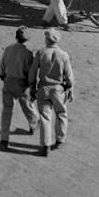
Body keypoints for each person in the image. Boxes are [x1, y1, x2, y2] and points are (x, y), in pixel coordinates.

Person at [28, 28, 74, 157]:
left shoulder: (41, 53)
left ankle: (45, 145)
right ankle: (60, 139)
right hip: (58, 89)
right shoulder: (64, 55)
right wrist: (70, 88)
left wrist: (32, 86)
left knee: (45, 117)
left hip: (43, 88)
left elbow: (32, 72)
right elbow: (69, 75)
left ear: (47, 40)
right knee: (61, 114)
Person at [0, 26, 39, 149]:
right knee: (28, 106)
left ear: (16, 37)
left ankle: (4, 138)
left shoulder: (8, 49)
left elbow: (3, 65)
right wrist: (32, 86)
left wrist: (3, 75)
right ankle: (33, 123)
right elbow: (31, 72)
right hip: (22, 84)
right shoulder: (28, 53)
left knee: (6, 111)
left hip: (8, 82)